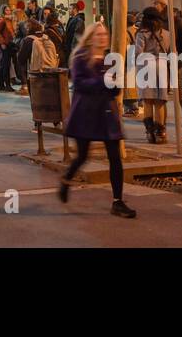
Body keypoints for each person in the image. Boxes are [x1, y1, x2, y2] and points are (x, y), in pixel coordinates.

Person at [58, 23, 136, 218]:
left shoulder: (111, 60)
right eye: (99, 35)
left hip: (107, 114)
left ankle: (117, 201)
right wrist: (104, 82)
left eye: (105, 34)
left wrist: (116, 84)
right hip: (85, 113)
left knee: (115, 158)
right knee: (83, 156)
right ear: (91, 37)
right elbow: (80, 83)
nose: (103, 38)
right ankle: (66, 180)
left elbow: (115, 90)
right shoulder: (80, 58)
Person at [134, 7, 171, 144]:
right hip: (162, 67)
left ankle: (150, 133)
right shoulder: (166, 34)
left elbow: (138, 53)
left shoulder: (141, 34)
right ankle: (160, 133)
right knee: (159, 102)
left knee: (147, 101)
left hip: (146, 68)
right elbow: (168, 50)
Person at [0, 7, 17, 91]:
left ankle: (1, 84)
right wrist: (2, 42)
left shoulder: (9, 20)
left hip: (9, 44)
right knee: (5, 65)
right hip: (5, 44)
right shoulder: (2, 20)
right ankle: (7, 85)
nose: (9, 11)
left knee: (4, 64)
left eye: (9, 10)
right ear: (3, 11)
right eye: (7, 10)